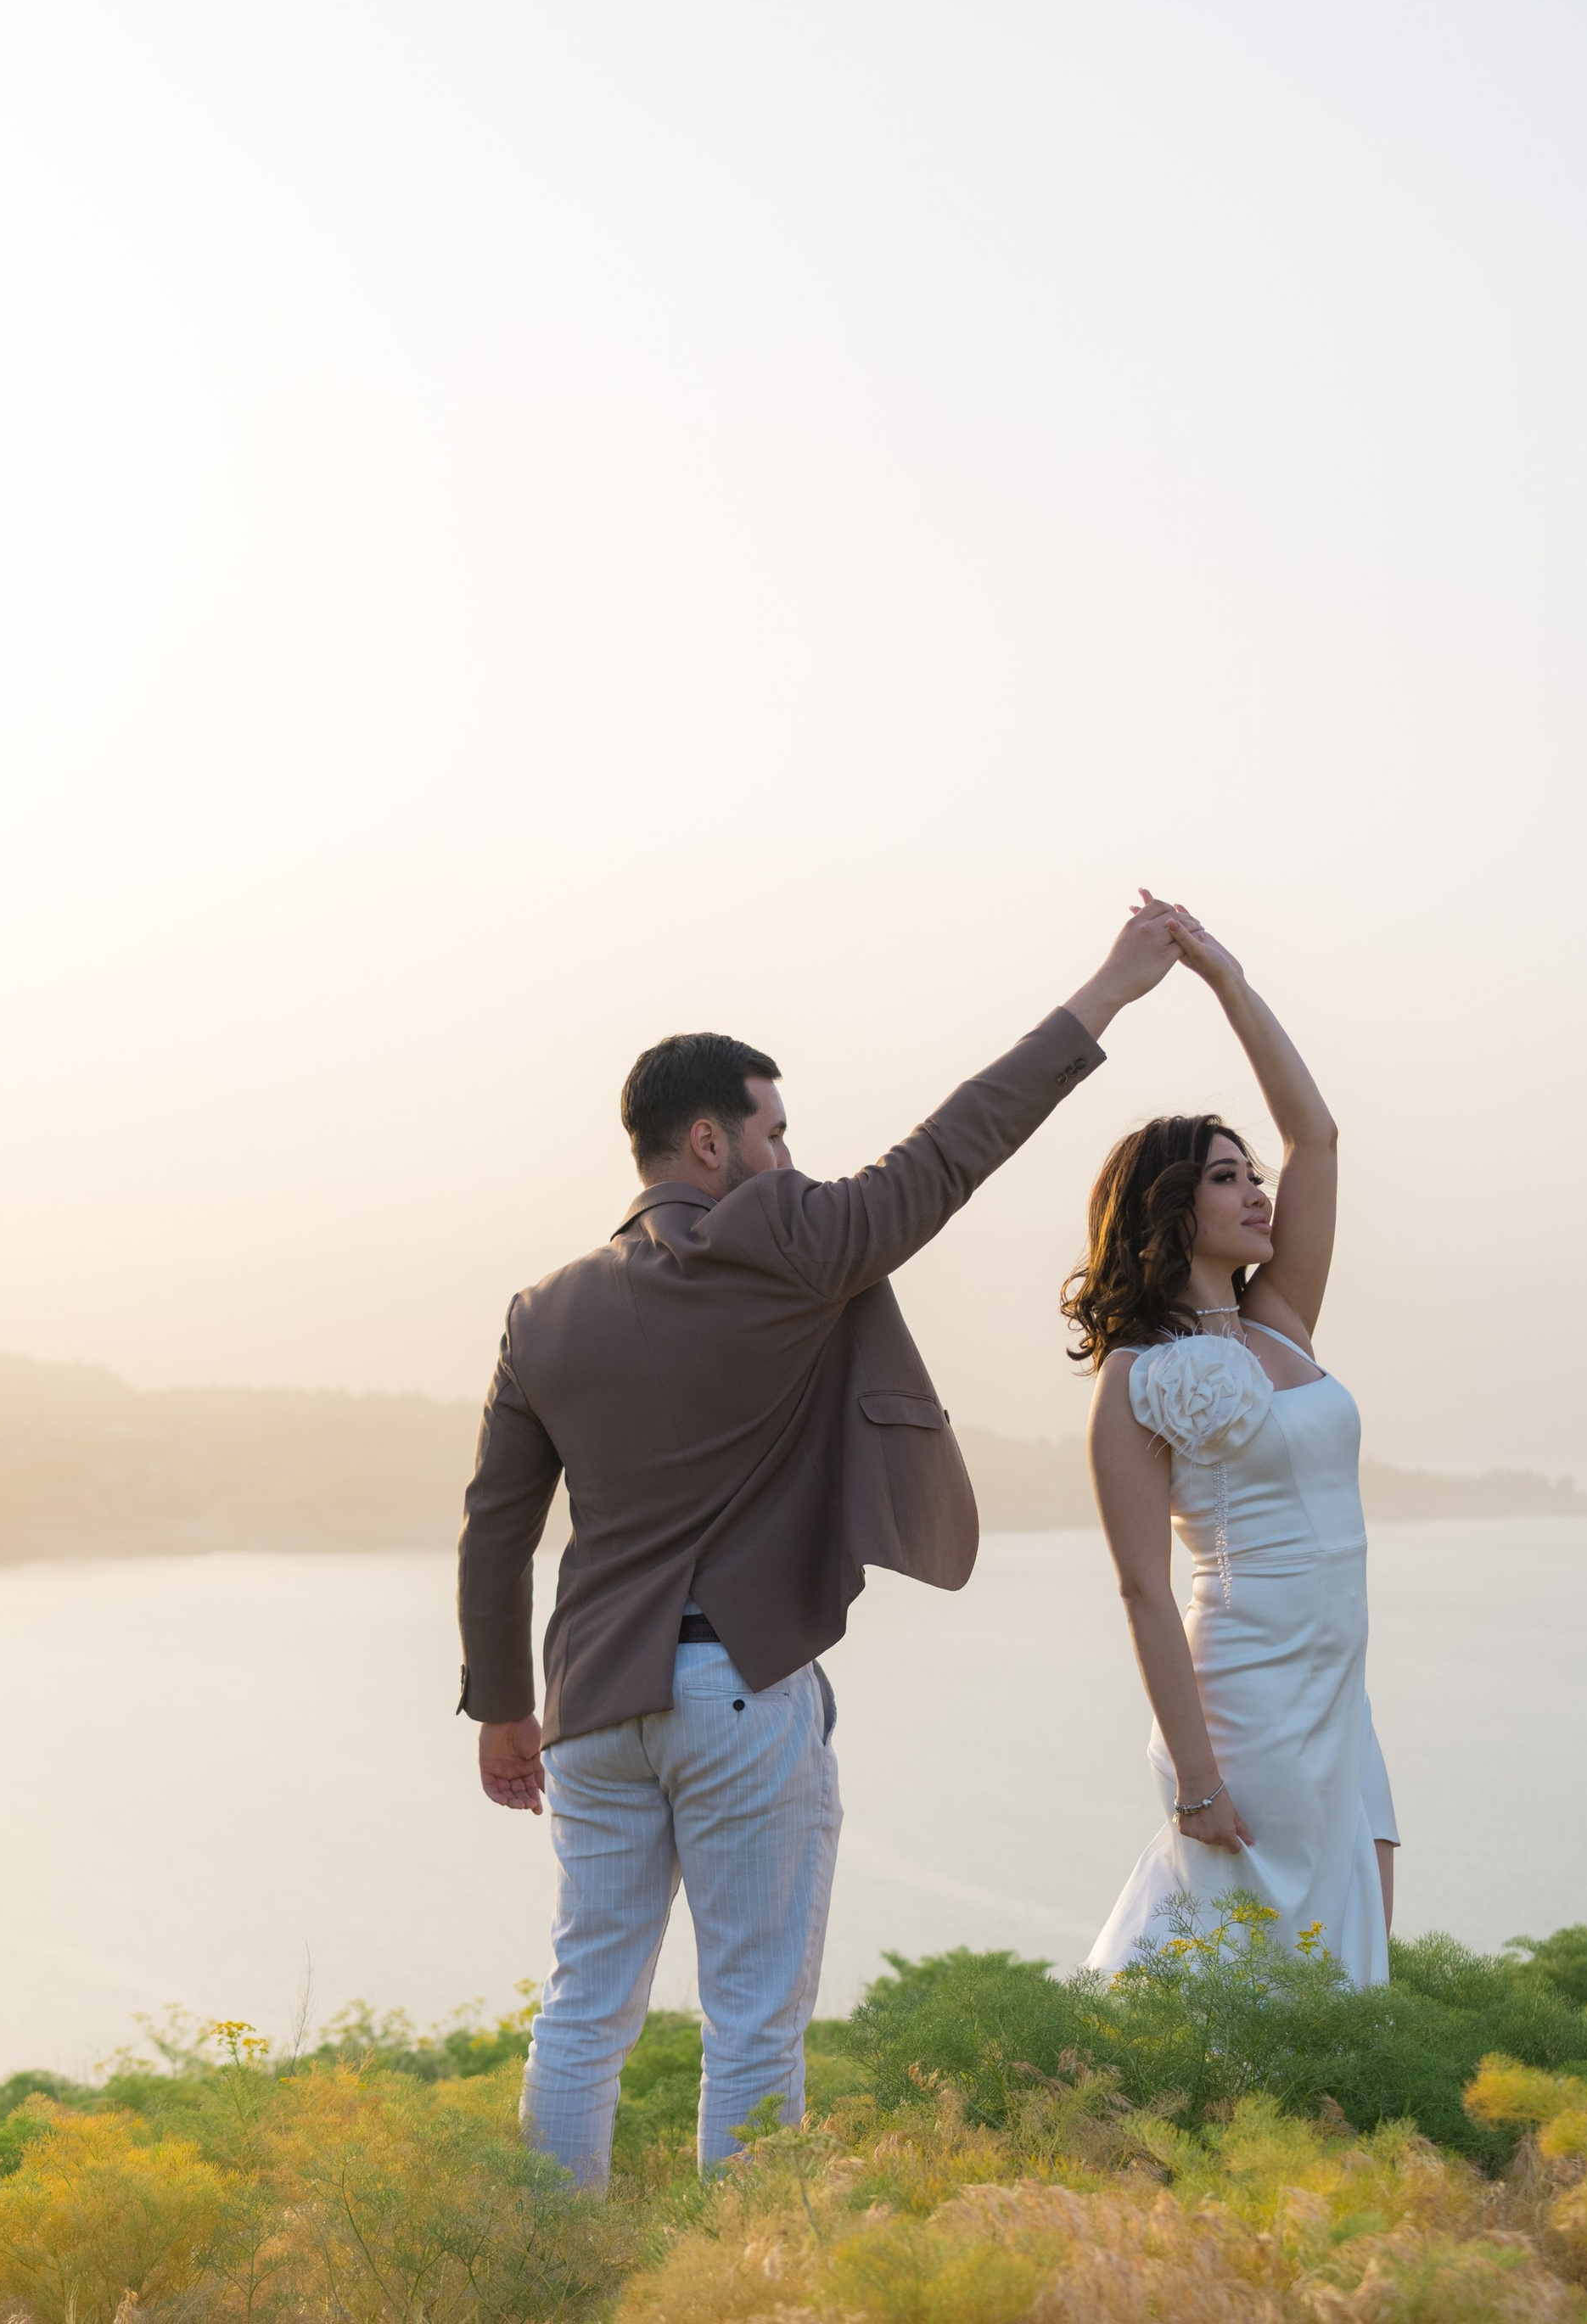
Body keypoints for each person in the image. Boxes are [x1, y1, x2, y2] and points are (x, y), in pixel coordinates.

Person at [457, 899, 1184, 2186]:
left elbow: (497, 1528)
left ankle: (543, 2266)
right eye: (775, 1132)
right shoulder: (785, 1241)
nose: (793, 1158)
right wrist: (1108, 994)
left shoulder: (542, 1310)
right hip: (734, 1691)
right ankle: (747, 2289)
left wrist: (504, 1711)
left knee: (582, 2011)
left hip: (592, 1706)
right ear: (707, 1140)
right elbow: (954, 1148)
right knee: (753, 2022)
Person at [1074, 903, 1398, 1988]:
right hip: (1247, 1686)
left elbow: (1318, 1136)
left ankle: (1321, 2148)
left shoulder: (1280, 1317)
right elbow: (1141, 1592)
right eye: (1226, 1176)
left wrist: (1226, 978)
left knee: (1355, 1940)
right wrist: (1197, 1776)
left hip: (1337, 1681)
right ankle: (1160, 2122)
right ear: (1169, 1207)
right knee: (1243, 1955)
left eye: (1250, 1174)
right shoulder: (1134, 1376)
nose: (1259, 1190)